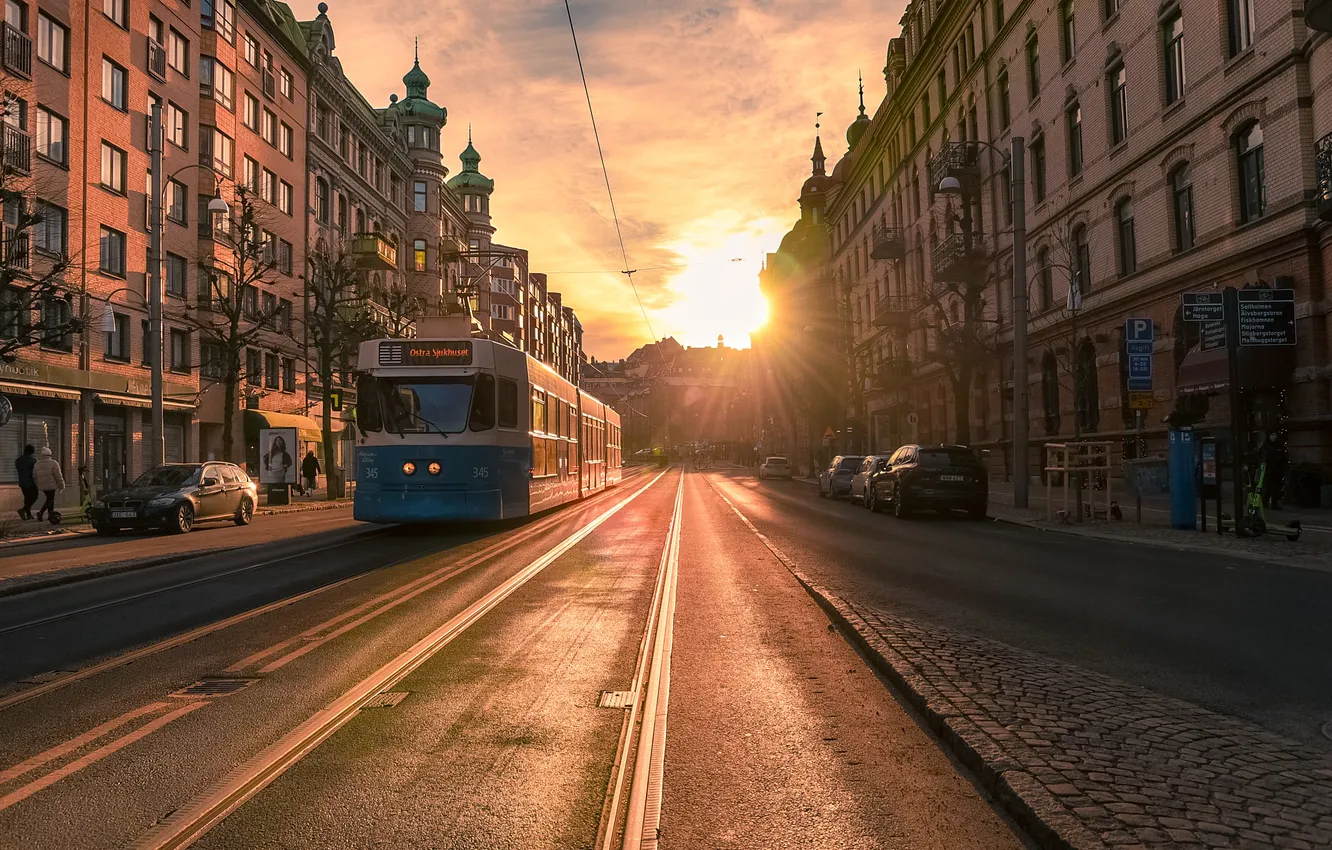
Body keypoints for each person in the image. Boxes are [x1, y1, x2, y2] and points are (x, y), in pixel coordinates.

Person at [33, 447, 64, 523]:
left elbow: (34, 476)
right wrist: (61, 485)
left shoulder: (37, 464)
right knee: (50, 499)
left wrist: (38, 485)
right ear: (50, 455)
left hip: (42, 485)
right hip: (51, 485)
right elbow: (58, 475)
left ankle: (50, 515)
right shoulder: (54, 463)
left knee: (50, 499)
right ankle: (41, 512)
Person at [15, 444, 37, 520]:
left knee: (27, 498)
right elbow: (34, 472)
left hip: (22, 482)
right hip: (31, 482)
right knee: (35, 496)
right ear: (32, 452)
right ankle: (23, 510)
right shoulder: (33, 460)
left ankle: (28, 514)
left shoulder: (18, 460)